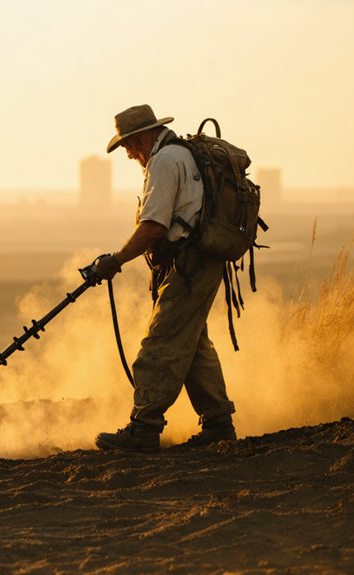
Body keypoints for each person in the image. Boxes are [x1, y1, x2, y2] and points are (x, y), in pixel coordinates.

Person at [91, 104, 236, 451]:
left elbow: (153, 227)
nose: (128, 154)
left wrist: (116, 259)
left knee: (160, 344)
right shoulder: (177, 156)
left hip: (190, 264)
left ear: (141, 137)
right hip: (198, 261)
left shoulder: (165, 162)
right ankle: (218, 424)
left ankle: (143, 428)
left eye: (127, 145)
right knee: (193, 344)